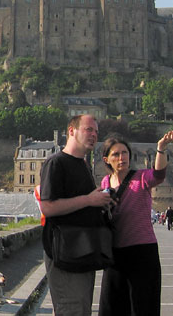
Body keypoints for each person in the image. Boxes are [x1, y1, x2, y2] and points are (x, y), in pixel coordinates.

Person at [38, 114, 113, 316]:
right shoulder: (56, 163)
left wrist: (101, 203)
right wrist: (89, 200)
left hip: (83, 251)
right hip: (65, 253)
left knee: (81, 310)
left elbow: (83, 203)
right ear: (71, 131)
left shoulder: (84, 165)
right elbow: (48, 207)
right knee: (72, 310)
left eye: (96, 131)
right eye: (88, 129)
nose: (94, 135)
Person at [98, 131, 173, 316]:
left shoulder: (141, 178)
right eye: (116, 154)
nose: (121, 157)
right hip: (115, 253)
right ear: (107, 159)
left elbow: (158, 175)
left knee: (143, 306)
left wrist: (161, 148)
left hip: (142, 251)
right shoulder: (105, 182)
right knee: (112, 305)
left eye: (124, 153)